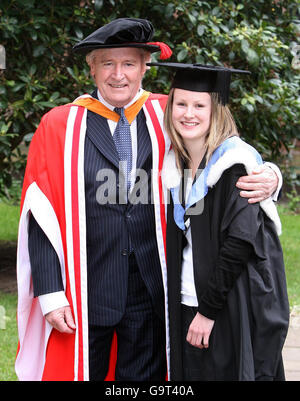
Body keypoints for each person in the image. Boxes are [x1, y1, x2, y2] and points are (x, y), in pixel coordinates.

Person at [15, 18, 282, 381]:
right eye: (107, 63)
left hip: (152, 288)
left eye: (128, 64)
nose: (118, 75)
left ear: (144, 67)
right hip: (85, 289)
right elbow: (39, 211)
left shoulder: (168, 114)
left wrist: (269, 174)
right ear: (92, 68)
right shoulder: (60, 125)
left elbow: (224, 151)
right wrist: (50, 291)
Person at [150, 61, 290, 381]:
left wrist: (207, 311)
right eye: (181, 104)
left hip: (222, 307)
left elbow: (239, 242)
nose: (189, 113)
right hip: (185, 301)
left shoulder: (234, 164)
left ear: (216, 111)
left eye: (200, 105)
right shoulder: (177, 165)